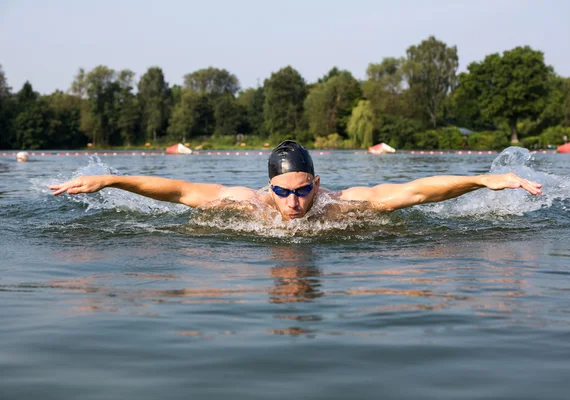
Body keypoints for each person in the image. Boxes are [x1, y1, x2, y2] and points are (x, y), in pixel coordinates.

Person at [50, 140, 542, 220]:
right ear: (270, 189)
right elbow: (177, 190)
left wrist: (484, 179)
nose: (294, 202)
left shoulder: (340, 203)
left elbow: (414, 190)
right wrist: (111, 179)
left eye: (303, 189)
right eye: (283, 192)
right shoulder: (250, 204)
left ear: (317, 182)